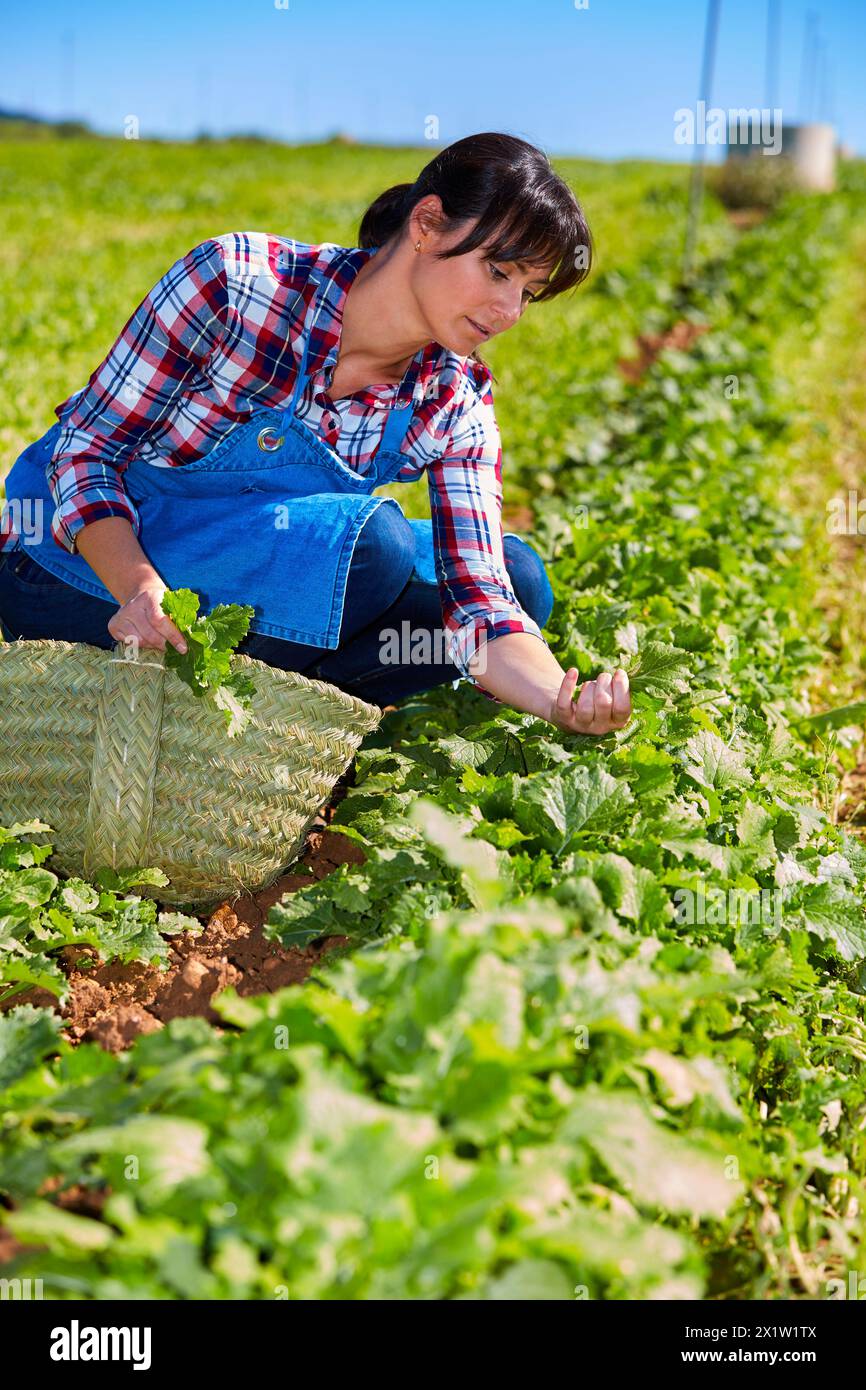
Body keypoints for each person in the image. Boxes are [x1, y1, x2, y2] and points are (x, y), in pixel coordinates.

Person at [0, 131, 630, 736]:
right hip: (73, 570)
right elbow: (87, 451)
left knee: (518, 576)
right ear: (427, 222)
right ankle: (226, 696)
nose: (509, 312)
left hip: (246, 578)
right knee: (373, 545)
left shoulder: (453, 398)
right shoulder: (239, 285)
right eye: (498, 272)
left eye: (530, 292)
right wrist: (139, 590)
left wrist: (557, 700)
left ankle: (280, 712)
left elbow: (481, 594)